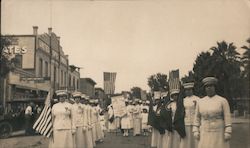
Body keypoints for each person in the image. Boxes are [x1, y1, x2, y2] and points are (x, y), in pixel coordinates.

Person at [193, 77, 232, 148]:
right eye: (207, 86)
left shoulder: (222, 101)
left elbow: (227, 116)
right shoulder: (200, 101)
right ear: (205, 88)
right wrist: (195, 129)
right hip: (205, 131)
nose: (209, 88)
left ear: (215, 87)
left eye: (211, 86)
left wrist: (228, 130)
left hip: (218, 131)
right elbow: (197, 117)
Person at [180, 82, 199, 148]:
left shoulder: (197, 99)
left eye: (190, 90)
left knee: (195, 140)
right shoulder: (183, 100)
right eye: (186, 90)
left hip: (195, 122)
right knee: (187, 140)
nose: (188, 91)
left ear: (192, 90)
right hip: (186, 123)